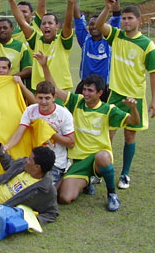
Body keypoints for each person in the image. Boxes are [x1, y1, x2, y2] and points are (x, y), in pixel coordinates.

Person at [34, 51, 140, 211]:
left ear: (100, 93)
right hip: (78, 161)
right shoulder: (77, 102)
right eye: (84, 89)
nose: (86, 93)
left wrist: (133, 109)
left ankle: (112, 194)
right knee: (64, 198)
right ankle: (87, 181)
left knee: (103, 156)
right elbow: (54, 89)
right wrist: (44, 66)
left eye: (90, 91)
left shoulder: (109, 109)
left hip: (98, 158)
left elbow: (134, 122)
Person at [95, 0, 155, 189]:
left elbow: (154, 74)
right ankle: (101, 170)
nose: (126, 21)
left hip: (135, 97)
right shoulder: (116, 36)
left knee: (130, 137)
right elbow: (99, 25)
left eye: (130, 18)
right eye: (124, 18)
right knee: (108, 135)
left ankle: (125, 174)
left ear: (139, 21)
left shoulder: (147, 44)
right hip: (115, 95)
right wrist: (107, 8)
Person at [2, 0, 77, 92]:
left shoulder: (63, 41)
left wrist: (70, 3)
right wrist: (11, 1)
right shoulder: (36, 39)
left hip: (58, 90)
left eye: (50, 23)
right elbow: (21, 21)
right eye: (44, 23)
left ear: (57, 26)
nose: (46, 26)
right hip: (38, 89)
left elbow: (68, 24)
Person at [3, 81, 75, 185]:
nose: (43, 102)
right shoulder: (30, 111)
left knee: (44, 190)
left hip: (55, 163)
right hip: (34, 161)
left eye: (47, 98)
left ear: (54, 97)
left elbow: (71, 143)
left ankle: (63, 178)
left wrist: (50, 133)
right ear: (36, 97)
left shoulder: (63, 114)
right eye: (40, 98)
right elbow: (19, 132)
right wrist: (7, 146)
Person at [74, 0, 121, 102]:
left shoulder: (110, 40)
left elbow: (117, 16)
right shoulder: (85, 39)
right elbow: (77, 18)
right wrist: (73, 1)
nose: (94, 26)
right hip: (85, 86)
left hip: (104, 87)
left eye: (97, 23)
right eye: (91, 24)